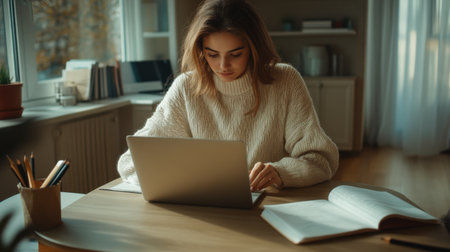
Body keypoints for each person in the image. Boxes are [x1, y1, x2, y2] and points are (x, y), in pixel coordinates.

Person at [117, 0, 339, 192]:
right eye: (212, 54)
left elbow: (320, 159)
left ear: (254, 49)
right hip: (202, 209)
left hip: (269, 206)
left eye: (235, 54)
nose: (223, 66)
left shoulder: (285, 81)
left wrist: (281, 173)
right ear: (200, 50)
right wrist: (180, 181)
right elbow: (131, 162)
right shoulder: (186, 87)